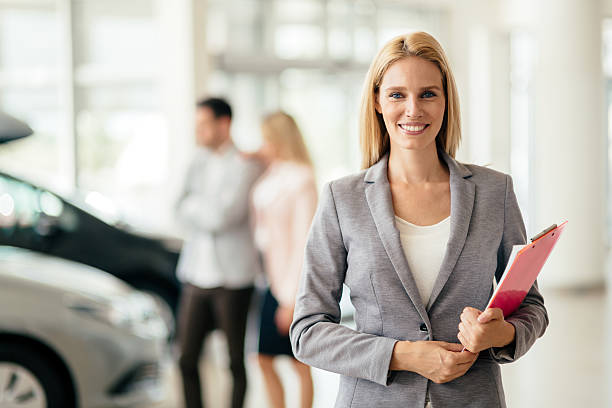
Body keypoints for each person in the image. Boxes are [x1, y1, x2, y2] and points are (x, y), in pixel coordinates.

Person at [290, 32, 548, 408]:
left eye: (428, 94)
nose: (413, 109)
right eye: (397, 94)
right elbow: (308, 332)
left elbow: (533, 308)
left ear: (446, 102)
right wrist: (405, 355)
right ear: (377, 101)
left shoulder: (495, 193)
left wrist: (501, 334)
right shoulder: (341, 199)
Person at [175, 97, 262, 408]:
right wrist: (203, 209)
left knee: (235, 362)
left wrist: (197, 207)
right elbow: (177, 206)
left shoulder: (246, 162)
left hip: (234, 278)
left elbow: (224, 216)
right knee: (186, 358)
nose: (198, 131)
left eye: (203, 124)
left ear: (223, 123)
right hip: (195, 274)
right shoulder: (196, 161)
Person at [251, 112, 316, 408]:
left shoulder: (301, 179)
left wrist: (291, 300)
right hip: (270, 280)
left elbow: (305, 242)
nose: (262, 145)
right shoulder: (274, 172)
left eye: (266, 138)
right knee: (263, 358)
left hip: (291, 287)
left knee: (299, 360)